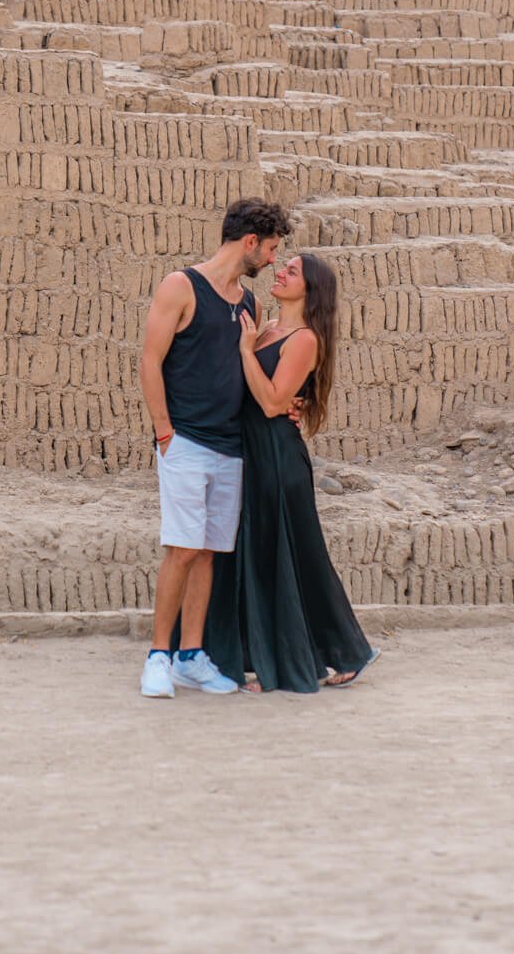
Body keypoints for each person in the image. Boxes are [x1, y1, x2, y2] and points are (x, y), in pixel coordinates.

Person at [137, 197, 296, 698]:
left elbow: (259, 364)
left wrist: (292, 404)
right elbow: (149, 359)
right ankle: (158, 656)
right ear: (250, 242)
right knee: (182, 549)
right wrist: (164, 432)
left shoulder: (248, 303)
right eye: (271, 249)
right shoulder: (180, 286)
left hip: (231, 447)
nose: (272, 259)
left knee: (207, 553)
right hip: (186, 440)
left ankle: (191, 655)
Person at [201, 250, 380, 693]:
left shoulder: (302, 340)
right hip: (252, 455)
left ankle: (316, 657)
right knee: (259, 557)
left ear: (310, 289)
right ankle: (258, 656)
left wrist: (244, 350)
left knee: (288, 560)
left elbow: (272, 403)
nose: (279, 272)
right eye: (282, 267)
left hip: (278, 460)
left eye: (292, 271)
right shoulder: (266, 329)